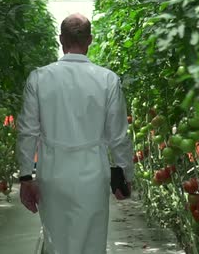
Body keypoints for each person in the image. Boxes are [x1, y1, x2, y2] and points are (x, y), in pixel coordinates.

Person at [15, 13, 134, 254]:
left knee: (56, 243)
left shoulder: (39, 78)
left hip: (52, 175)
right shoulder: (107, 80)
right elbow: (118, 135)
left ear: (61, 39)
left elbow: (27, 131)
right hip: (93, 174)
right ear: (90, 40)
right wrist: (124, 175)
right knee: (92, 243)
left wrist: (26, 177)